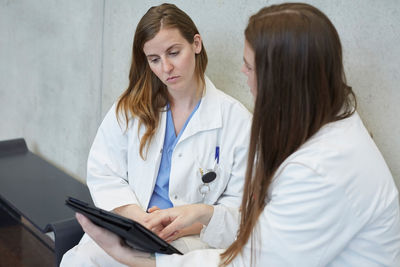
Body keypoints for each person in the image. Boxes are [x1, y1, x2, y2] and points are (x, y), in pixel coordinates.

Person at [75, 2, 400, 267]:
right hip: (159, 228)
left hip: (197, 244)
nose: (242, 73)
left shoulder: (318, 169)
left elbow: (253, 259)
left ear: (282, 78)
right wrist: (197, 213)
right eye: (155, 59)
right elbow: (263, 234)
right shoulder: (330, 129)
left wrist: (138, 260)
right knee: (85, 256)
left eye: (249, 66)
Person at [60, 3, 251, 266]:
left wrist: (185, 224)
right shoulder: (130, 108)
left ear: (196, 44)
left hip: (194, 239)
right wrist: (139, 220)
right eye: (154, 59)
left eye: (174, 52)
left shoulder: (237, 121)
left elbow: (239, 208)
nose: (166, 68)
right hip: (133, 227)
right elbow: (104, 172)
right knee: (81, 261)